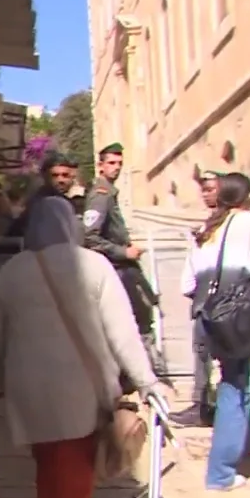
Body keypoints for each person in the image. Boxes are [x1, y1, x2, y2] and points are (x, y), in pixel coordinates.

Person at [0, 196, 160, 498]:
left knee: (51, 466)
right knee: (72, 480)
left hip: (28, 391)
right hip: (79, 390)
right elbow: (123, 334)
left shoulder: (11, 271)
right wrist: (147, 381)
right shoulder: (93, 265)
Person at [183, 172, 250, 491]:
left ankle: (241, 453)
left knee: (230, 383)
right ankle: (221, 471)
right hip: (241, 318)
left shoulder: (206, 229)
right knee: (238, 386)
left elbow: (188, 283)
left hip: (209, 317)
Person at [83, 142, 168, 380]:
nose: (116, 168)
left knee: (141, 315)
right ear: (100, 166)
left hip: (122, 266)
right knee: (136, 320)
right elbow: (90, 236)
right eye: (111, 163)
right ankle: (142, 376)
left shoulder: (109, 192)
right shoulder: (101, 196)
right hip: (117, 268)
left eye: (119, 163)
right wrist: (123, 252)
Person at [175, 170, 223, 427]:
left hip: (216, 299)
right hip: (203, 298)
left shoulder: (228, 223)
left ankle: (206, 406)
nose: (207, 195)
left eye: (212, 189)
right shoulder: (211, 222)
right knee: (202, 353)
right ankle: (203, 404)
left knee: (209, 354)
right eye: (204, 190)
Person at [6, 152, 79, 238]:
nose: (60, 180)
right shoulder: (39, 203)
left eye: (65, 175)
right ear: (45, 176)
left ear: (72, 177)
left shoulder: (68, 203)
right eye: (54, 175)